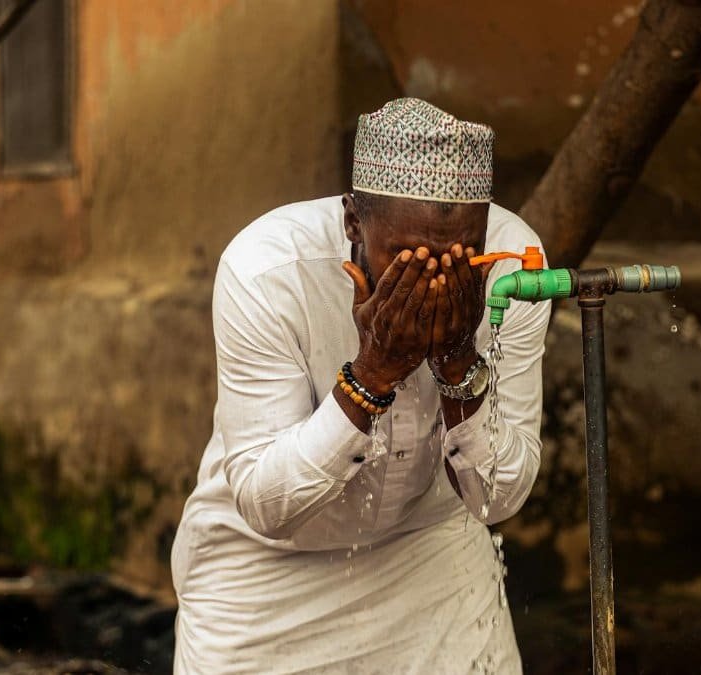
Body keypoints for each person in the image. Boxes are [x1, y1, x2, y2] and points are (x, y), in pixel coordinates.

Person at [171, 98, 552, 673]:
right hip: (265, 578)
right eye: (406, 259)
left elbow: (498, 497)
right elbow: (265, 504)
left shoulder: (511, 267)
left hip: (429, 560)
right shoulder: (266, 270)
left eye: (461, 257)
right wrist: (374, 373)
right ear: (353, 220)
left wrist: (457, 364)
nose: (436, 280)